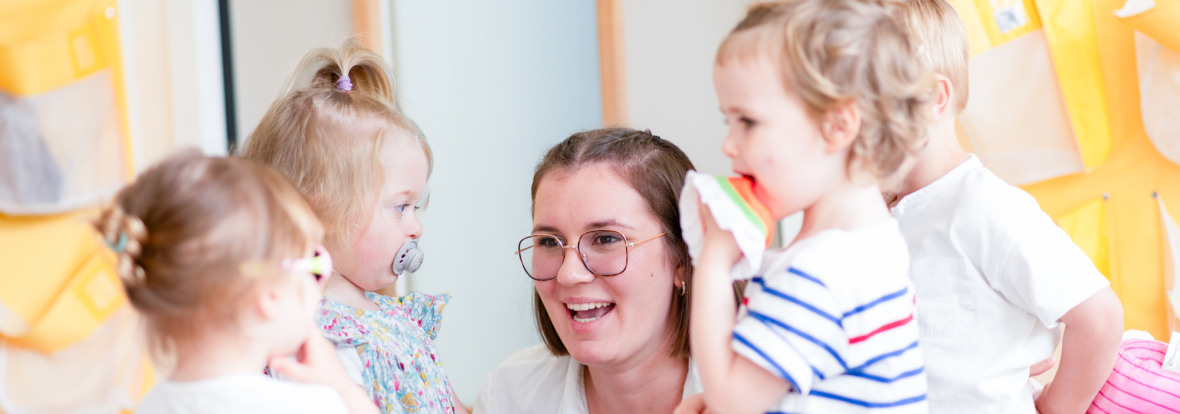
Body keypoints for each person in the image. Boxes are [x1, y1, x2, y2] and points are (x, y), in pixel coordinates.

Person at [678, 0, 935, 412]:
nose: (728, 144)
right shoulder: (876, 242)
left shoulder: (813, 274)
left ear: (838, 125)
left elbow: (732, 402)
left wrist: (714, 258)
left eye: (747, 121)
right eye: (729, 122)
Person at [883, 1, 1124, 412]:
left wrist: (1056, 407)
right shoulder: (868, 214)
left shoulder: (986, 207)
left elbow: (1099, 317)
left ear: (932, 99)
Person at [237, 41, 465, 414]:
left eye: (416, 206)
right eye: (401, 206)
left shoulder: (392, 316)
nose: (416, 227)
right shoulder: (310, 337)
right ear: (320, 214)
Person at [476, 128, 734, 414]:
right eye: (549, 242)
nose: (569, 274)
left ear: (682, 259)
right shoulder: (509, 394)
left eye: (606, 239)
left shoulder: (771, 392)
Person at [95, 152, 377, 414]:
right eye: (315, 264)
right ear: (269, 297)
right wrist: (343, 388)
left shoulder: (149, 406)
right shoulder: (312, 405)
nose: (320, 282)